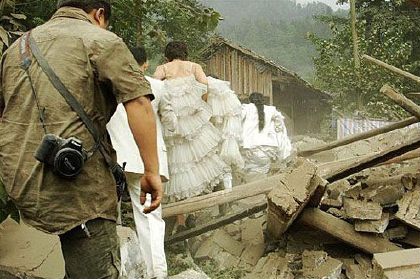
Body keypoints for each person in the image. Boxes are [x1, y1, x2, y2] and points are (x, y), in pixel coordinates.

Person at [0, 1, 163, 278]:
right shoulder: (101, 40)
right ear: (99, 14)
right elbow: (139, 103)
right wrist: (151, 171)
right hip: (78, 187)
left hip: (18, 179)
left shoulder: (17, 48)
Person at [154, 41, 230, 230]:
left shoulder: (163, 68)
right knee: (199, 166)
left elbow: (154, 88)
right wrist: (200, 105)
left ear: (167, 56)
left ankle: (179, 220)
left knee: (176, 170)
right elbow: (205, 85)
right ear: (185, 54)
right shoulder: (194, 66)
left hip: (173, 126)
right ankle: (194, 212)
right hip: (194, 123)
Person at [107, 46, 168, 279]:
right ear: (144, 64)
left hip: (114, 157)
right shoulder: (158, 86)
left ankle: (121, 271)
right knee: (150, 217)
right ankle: (156, 273)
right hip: (148, 160)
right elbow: (169, 122)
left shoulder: (108, 84)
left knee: (111, 217)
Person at [241, 92, 292, 183]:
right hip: (268, 149)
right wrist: (276, 127)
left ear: (250, 100)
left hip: (251, 148)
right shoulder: (271, 110)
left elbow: (237, 119)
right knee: (261, 173)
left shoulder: (246, 108)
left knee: (251, 174)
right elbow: (279, 122)